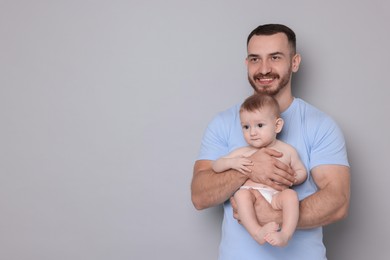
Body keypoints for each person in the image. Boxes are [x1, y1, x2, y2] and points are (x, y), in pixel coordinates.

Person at [191, 24, 350, 260]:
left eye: (275, 58)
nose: (264, 69)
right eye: (255, 59)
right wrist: (251, 168)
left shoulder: (320, 125)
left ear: (294, 62)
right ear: (247, 64)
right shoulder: (223, 122)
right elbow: (200, 196)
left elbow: (338, 202)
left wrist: (274, 217)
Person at [212, 93, 307, 247]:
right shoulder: (243, 152)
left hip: (276, 196)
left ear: (277, 125)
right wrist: (233, 163)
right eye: (246, 127)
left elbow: (301, 171)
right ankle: (257, 232)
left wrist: (294, 178)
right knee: (241, 194)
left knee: (290, 195)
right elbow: (216, 165)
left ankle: (285, 234)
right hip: (252, 195)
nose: (252, 132)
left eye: (260, 125)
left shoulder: (288, 151)